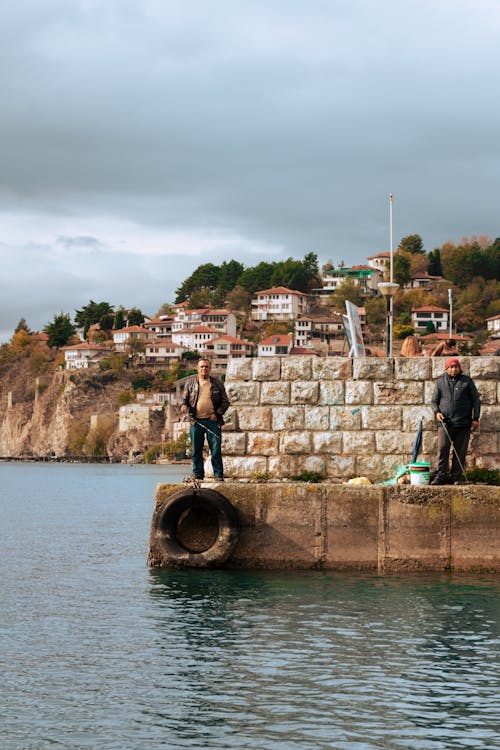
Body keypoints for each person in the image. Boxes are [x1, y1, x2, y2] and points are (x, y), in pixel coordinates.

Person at [430, 357, 481, 485]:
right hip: (445, 423)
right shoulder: (440, 382)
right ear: (447, 369)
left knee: (460, 451)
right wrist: (437, 412)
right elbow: (434, 401)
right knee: (443, 449)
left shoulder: (467, 381)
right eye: (451, 367)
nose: (453, 369)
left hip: (463, 423)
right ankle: (441, 476)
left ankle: (455, 477)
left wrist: (476, 418)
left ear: (459, 368)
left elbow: (476, 400)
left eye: (456, 367)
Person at [181, 358, 230, 481]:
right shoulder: (190, 383)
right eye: (202, 367)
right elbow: (184, 400)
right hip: (195, 421)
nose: (204, 369)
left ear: (210, 369)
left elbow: (225, 402)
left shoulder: (217, 383)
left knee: (215, 449)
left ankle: (218, 475)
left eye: (206, 367)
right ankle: (198, 475)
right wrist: (184, 406)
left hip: (212, 421)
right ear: (197, 369)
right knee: (196, 450)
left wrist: (217, 414)